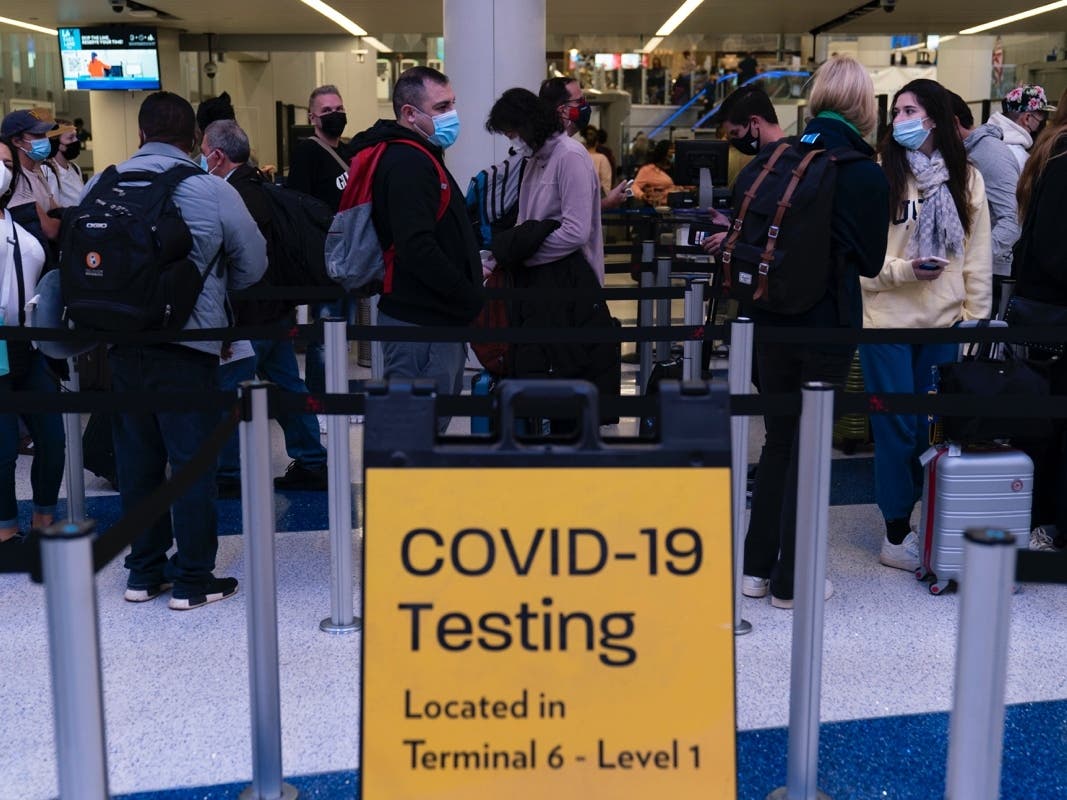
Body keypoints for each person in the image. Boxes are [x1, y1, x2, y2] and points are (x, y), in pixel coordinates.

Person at [710, 56, 889, 608]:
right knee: (812, 449)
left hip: (767, 319)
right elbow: (870, 261)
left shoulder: (773, 157)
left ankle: (756, 569)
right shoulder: (862, 171)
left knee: (780, 441)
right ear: (864, 106)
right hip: (825, 324)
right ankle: (795, 581)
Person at [86, 91, 266, 610]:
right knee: (191, 464)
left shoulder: (104, 182)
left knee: (137, 462)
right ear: (194, 140)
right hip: (190, 346)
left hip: (122, 345)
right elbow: (254, 264)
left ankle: (143, 572)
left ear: (140, 134)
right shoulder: (209, 189)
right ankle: (192, 580)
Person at [861, 78, 992, 572]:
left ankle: (929, 518)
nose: (900, 120)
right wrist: (903, 271)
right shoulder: (880, 174)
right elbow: (862, 261)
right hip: (887, 323)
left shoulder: (966, 178)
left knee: (933, 432)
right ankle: (896, 532)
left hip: (944, 325)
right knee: (896, 428)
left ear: (933, 118)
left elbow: (975, 255)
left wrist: (975, 318)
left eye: (909, 110)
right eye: (896, 112)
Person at [347, 67, 484, 434]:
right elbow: (415, 246)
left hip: (430, 319)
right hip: (421, 323)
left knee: (423, 429)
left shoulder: (422, 154)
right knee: (413, 431)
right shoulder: (408, 162)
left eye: (452, 104)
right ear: (409, 113)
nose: (451, 114)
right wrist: (465, 292)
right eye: (441, 107)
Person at [200, 119, 328, 496]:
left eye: (204, 150)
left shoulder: (230, 197)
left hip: (247, 318)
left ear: (217, 156)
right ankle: (311, 460)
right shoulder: (263, 187)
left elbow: (237, 263)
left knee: (228, 393)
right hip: (276, 313)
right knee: (288, 386)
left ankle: (227, 475)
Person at [485, 87, 617, 411]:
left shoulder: (570, 156)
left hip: (569, 287)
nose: (512, 139)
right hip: (540, 288)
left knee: (566, 377)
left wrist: (524, 256)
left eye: (513, 131)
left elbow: (575, 231)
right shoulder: (533, 161)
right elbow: (523, 221)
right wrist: (497, 257)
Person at [0, 138, 65, 571]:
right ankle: (5, 530)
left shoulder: (19, 220)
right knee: (3, 447)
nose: (3, 171)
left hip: (30, 339)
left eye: (5, 162)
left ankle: (43, 522)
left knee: (53, 437)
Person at [1009, 86, 1067, 552]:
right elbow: (1054, 250)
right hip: (1056, 314)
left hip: (1042, 312)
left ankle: (1044, 518)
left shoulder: (1050, 149)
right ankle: (1049, 523)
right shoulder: (1064, 157)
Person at [286, 84, 352, 413]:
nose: (335, 115)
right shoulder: (307, 153)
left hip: (350, 260)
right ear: (313, 117)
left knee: (342, 335)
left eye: (338, 108)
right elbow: (299, 207)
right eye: (327, 111)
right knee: (324, 336)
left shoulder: (350, 152)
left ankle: (336, 398)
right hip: (324, 260)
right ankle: (318, 403)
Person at [948, 91, 1021, 312]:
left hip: (992, 275)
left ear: (953, 122)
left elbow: (1012, 219)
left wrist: (975, 260)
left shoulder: (990, 153)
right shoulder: (961, 152)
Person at [538, 77, 628, 208]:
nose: (585, 105)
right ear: (563, 110)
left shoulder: (541, 148)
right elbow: (575, 214)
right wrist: (607, 202)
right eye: (579, 101)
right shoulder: (571, 152)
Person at [0, 109, 60, 244]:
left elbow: (55, 210)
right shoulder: (16, 178)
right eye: (38, 135)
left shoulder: (36, 171)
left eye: (45, 134)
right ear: (17, 141)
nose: (45, 139)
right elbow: (50, 230)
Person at [987, 84, 1055, 171]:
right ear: (1027, 118)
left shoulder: (984, 138)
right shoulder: (1020, 158)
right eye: (1041, 118)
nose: (1043, 124)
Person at [45, 119, 85, 208]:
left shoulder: (75, 168)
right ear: (58, 144)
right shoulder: (48, 170)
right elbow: (53, 208)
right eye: (71, 138)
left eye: (76, 136)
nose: (76, 141)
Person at [631, 139, 677, 207]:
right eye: (671, 149)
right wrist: (642, 195)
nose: (673, 152)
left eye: (674, 149)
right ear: (662, 151)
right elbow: (634, 186)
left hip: (676, 207)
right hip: (656, 208)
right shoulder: (648, 169)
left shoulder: (677, 168)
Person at [581, 125, 613, 196]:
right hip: (597, 198)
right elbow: (606, 184)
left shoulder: (579, 157)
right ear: (596, 142)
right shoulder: (602, 158)